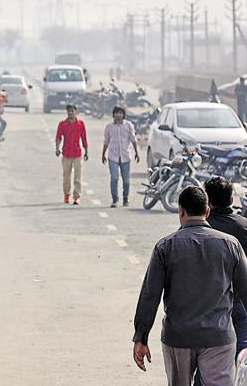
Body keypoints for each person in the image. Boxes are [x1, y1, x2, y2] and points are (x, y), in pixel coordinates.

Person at [132, 186, 247, 386]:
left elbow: (150, 296)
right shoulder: (231, 245)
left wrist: (141, 336)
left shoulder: (165, 246)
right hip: (218, 337)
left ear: (181, 212)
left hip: (178, 337)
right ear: (207, 211)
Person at [189, 177, 247, 385]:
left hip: (205, 305)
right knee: (241, 357)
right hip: (239, 304)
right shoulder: (243, 227)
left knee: (205, 361)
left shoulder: (196, 229)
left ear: (207, 202)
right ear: (231, 198)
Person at [102, 106, 140, 208]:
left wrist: (137, 152)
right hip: (113, 156)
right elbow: (106, 141)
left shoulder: (128, 125)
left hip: (125, 156)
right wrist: (103, 154)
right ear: (113, 115)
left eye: (120, 113)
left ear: (123, 115)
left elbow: (133, 139)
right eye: (116, 113)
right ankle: (115, 199)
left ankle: (125, 198)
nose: (118, 115)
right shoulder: (109, 127)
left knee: (126, 180)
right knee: (114, 178)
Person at [55, 104, 88, 205]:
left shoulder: (80, 124)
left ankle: (76, 196)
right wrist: (57, 148)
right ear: (67, 112)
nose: (70, 113)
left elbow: (84, 138)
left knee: (77, 177)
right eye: (69, 111)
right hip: (66, 153)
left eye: (72, 111)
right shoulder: (62, 124)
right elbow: (59, 137)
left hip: (77, 153)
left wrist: (86, 151)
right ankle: (66, 195)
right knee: (66, 176)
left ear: (75, 112)